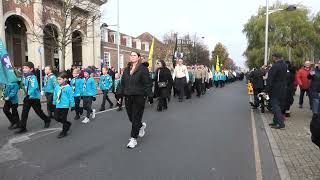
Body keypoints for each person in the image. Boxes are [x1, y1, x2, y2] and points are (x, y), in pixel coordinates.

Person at [120, 51, 153, 148]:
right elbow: (123, 83)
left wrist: (150, 95)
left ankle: (133, 138)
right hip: (128, 97)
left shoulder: (143, 69)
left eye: (135, 55)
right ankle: (141, 125)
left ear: (138, 57)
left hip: (139, 96)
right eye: (131, 55)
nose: (132, 57)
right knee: (131, 117)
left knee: (136, 117)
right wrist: (119, 96)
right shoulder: (126, 70)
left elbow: (148, 83)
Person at [16, 62, 51, 134]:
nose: (24, 69)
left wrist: (29, 94)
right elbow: (23, 85)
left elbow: (34, 87)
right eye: (23, 68)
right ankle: (23, 127)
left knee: (38, 111)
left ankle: (47, 120)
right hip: (27, 97)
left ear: (31, 69)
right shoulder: (24, 76)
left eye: (26, 68)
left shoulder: (33, 77)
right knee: (24, 113)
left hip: (34, 98)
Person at [266, 53, 287, 130]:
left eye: (273, 57)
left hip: (275, 89)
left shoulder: (275, 66)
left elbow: (270, 79)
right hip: (283, 88)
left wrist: (267, 90)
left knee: (275, 106)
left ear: (275, 58)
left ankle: (281, 124)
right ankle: (275, 121)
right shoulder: (285, 65)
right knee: (278, 106)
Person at [53, 72, 75, 138]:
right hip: (58, 104)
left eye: (60, 79)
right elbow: (55, 95)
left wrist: (72, 105)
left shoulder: (68, 88)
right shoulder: (57, 87)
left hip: (65, 105)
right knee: (56, 117)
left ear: (65, 79)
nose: (58, 81)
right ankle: (67, 124)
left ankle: (64, 132)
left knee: (63, 118)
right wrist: (54, 102)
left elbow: (71, 97)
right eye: (57, 79)